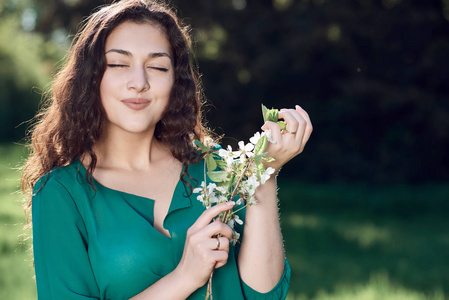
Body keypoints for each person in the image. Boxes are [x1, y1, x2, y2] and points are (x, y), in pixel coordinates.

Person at [21, 0, 313, 299]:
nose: (139, 83)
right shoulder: (60, 193)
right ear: (91, 77)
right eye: (119, 64)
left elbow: (263, 295)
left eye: (158, 66)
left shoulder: (217, 168)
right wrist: (185, 276)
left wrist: (262, 174)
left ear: (176, 81)